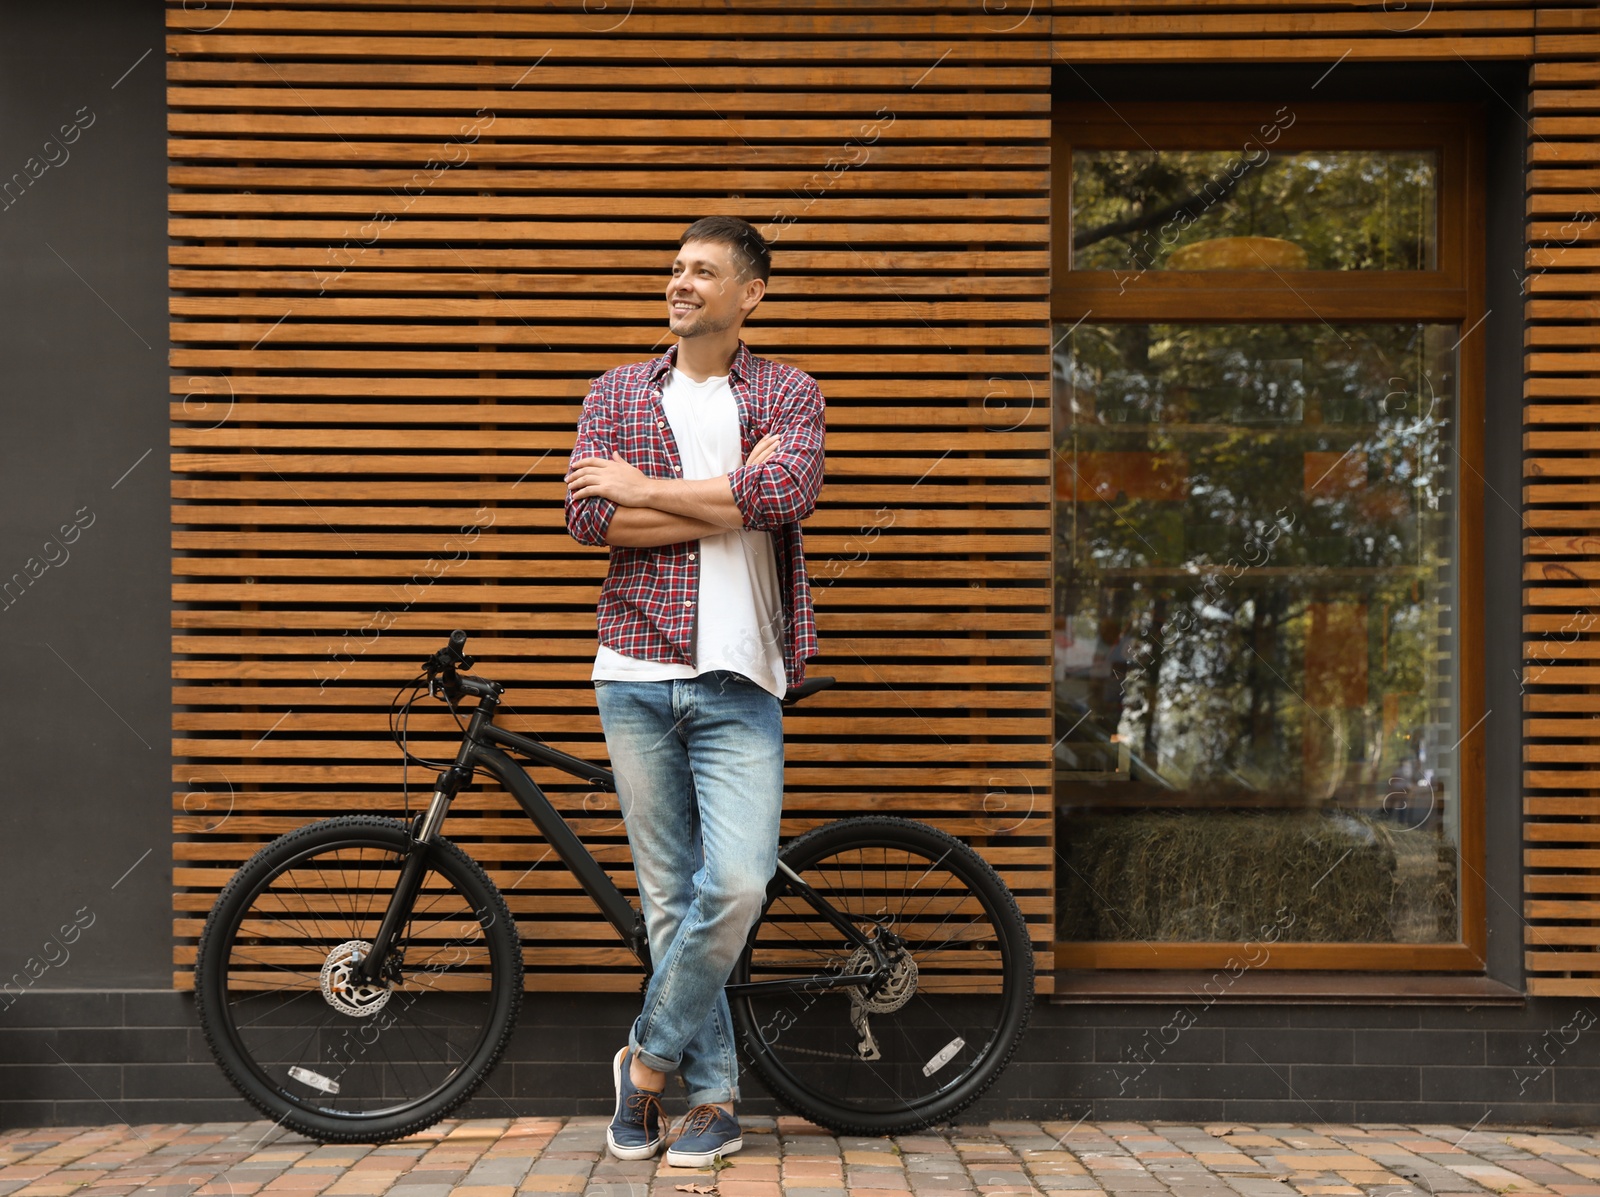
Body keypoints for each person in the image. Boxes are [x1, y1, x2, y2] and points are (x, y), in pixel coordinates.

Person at [563, 216, 825, 1166]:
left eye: (702, 271)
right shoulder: (617, 390)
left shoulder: (789, 391)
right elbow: (591, 518)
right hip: (634, 670)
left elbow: (784, 495)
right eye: (675, 267)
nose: (680, 282)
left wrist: (649, 486)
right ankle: (711, 1102)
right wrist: (718, 493)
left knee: (739, 882)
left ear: (749, 293)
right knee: (670, 899)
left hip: (745, 675)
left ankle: (644, 1064)